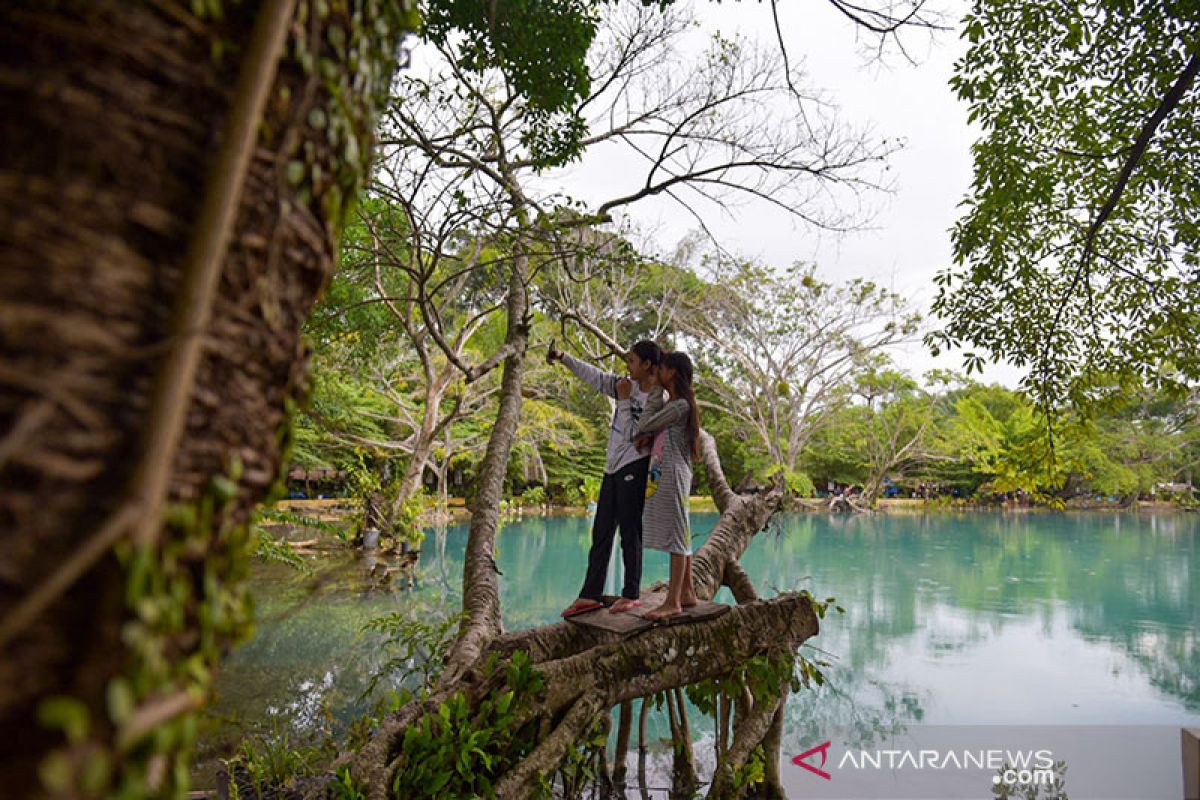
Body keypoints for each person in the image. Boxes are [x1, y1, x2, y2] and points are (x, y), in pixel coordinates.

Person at [549, 339, 663, 616]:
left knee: (629, 531)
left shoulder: (659, 399)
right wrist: (563, 357)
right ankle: (590, 593)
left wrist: (623, 401)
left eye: (632, 361)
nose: (627, 366)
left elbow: (635, 435)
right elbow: (595, 377)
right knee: (601, 530)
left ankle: (631, 593)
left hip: (634, 466)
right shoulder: (627, 385)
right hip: (612, 467)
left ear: (647, 365)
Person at [637, 351, 700, 620]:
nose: (657, 373)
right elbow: (655, 431)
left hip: (673, 474)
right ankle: (686, 592)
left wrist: (652, 391)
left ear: (672, 372)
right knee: (680, 532)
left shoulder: (679, 407)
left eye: (660, 369)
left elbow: (645, 423)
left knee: (677, 535)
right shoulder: (675, 406)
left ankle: (672, 601)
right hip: (670, 473)